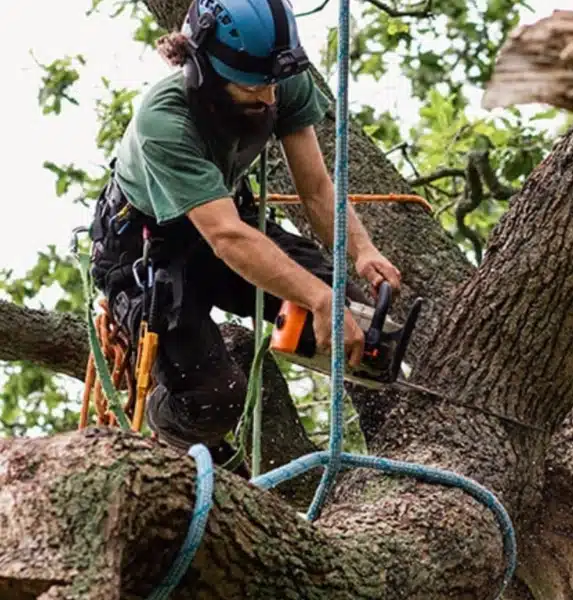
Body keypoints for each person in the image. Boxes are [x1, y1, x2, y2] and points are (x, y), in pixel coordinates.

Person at [88, 0, 401, 473]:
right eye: (253, 88)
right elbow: (226, 238)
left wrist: (362, 250)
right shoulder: (164, 121)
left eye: (274, 86)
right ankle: (167, 425)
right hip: (149, 254)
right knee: (213, 395)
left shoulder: (276, 75)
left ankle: (390, 447)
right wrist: (318, 297)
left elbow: (316, 190)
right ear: (202, 72)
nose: (270, 100)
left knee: (356, 324)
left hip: (227, 225)